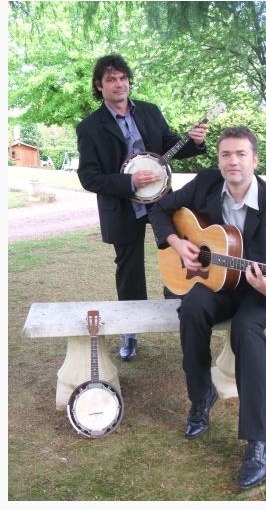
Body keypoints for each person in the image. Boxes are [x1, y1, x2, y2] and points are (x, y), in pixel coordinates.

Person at [148, 126, 266, 489]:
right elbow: (160, 210)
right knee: (193, 308)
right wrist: (177, 244)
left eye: (241, 154)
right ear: (218, 160)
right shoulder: (206, 182)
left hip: (253, 290)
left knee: (247, 332)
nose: (232, 161)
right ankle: (201, 397)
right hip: (214, 283)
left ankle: (257, 442)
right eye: (226, 154)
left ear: (255, 160)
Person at [76, 54, 208, 361]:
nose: (119, 84)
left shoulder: (149, 111)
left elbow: (169, 146)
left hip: (161, 199)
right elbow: (89, 176)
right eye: (111, 79)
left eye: (123, 78)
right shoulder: (90, 127)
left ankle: (185, 309)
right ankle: (131, 330)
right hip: (123, 207)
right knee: (129, 269)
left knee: (181, 249)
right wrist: (129, 182)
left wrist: (194, 141)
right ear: (100, 85)